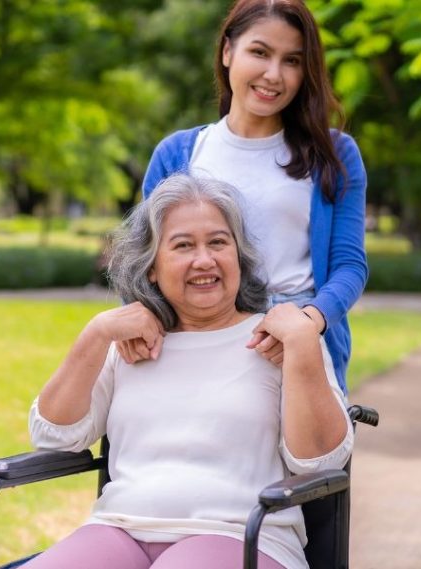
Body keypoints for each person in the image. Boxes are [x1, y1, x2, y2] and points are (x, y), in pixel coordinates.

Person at [25, 175, 353, 569]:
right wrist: (96, 334)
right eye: (183, 245)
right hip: (119, 529)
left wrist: (302, 342)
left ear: (239, 256)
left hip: (240, 536)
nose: (204, 259)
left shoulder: (279, 338)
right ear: (152, 268)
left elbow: (320, 463)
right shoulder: (128, 342)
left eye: (218, 242)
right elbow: (53, 435)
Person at [136, 0, 368, 395]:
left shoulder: (334, 153)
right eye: (259, 52)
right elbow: (146, 261)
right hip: (199, 335)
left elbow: (350, 266)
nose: (273, 75)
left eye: (292, 61)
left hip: (298, 340)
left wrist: (306, 324)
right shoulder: (178, 153)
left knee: (308, 457)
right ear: (228, 51)